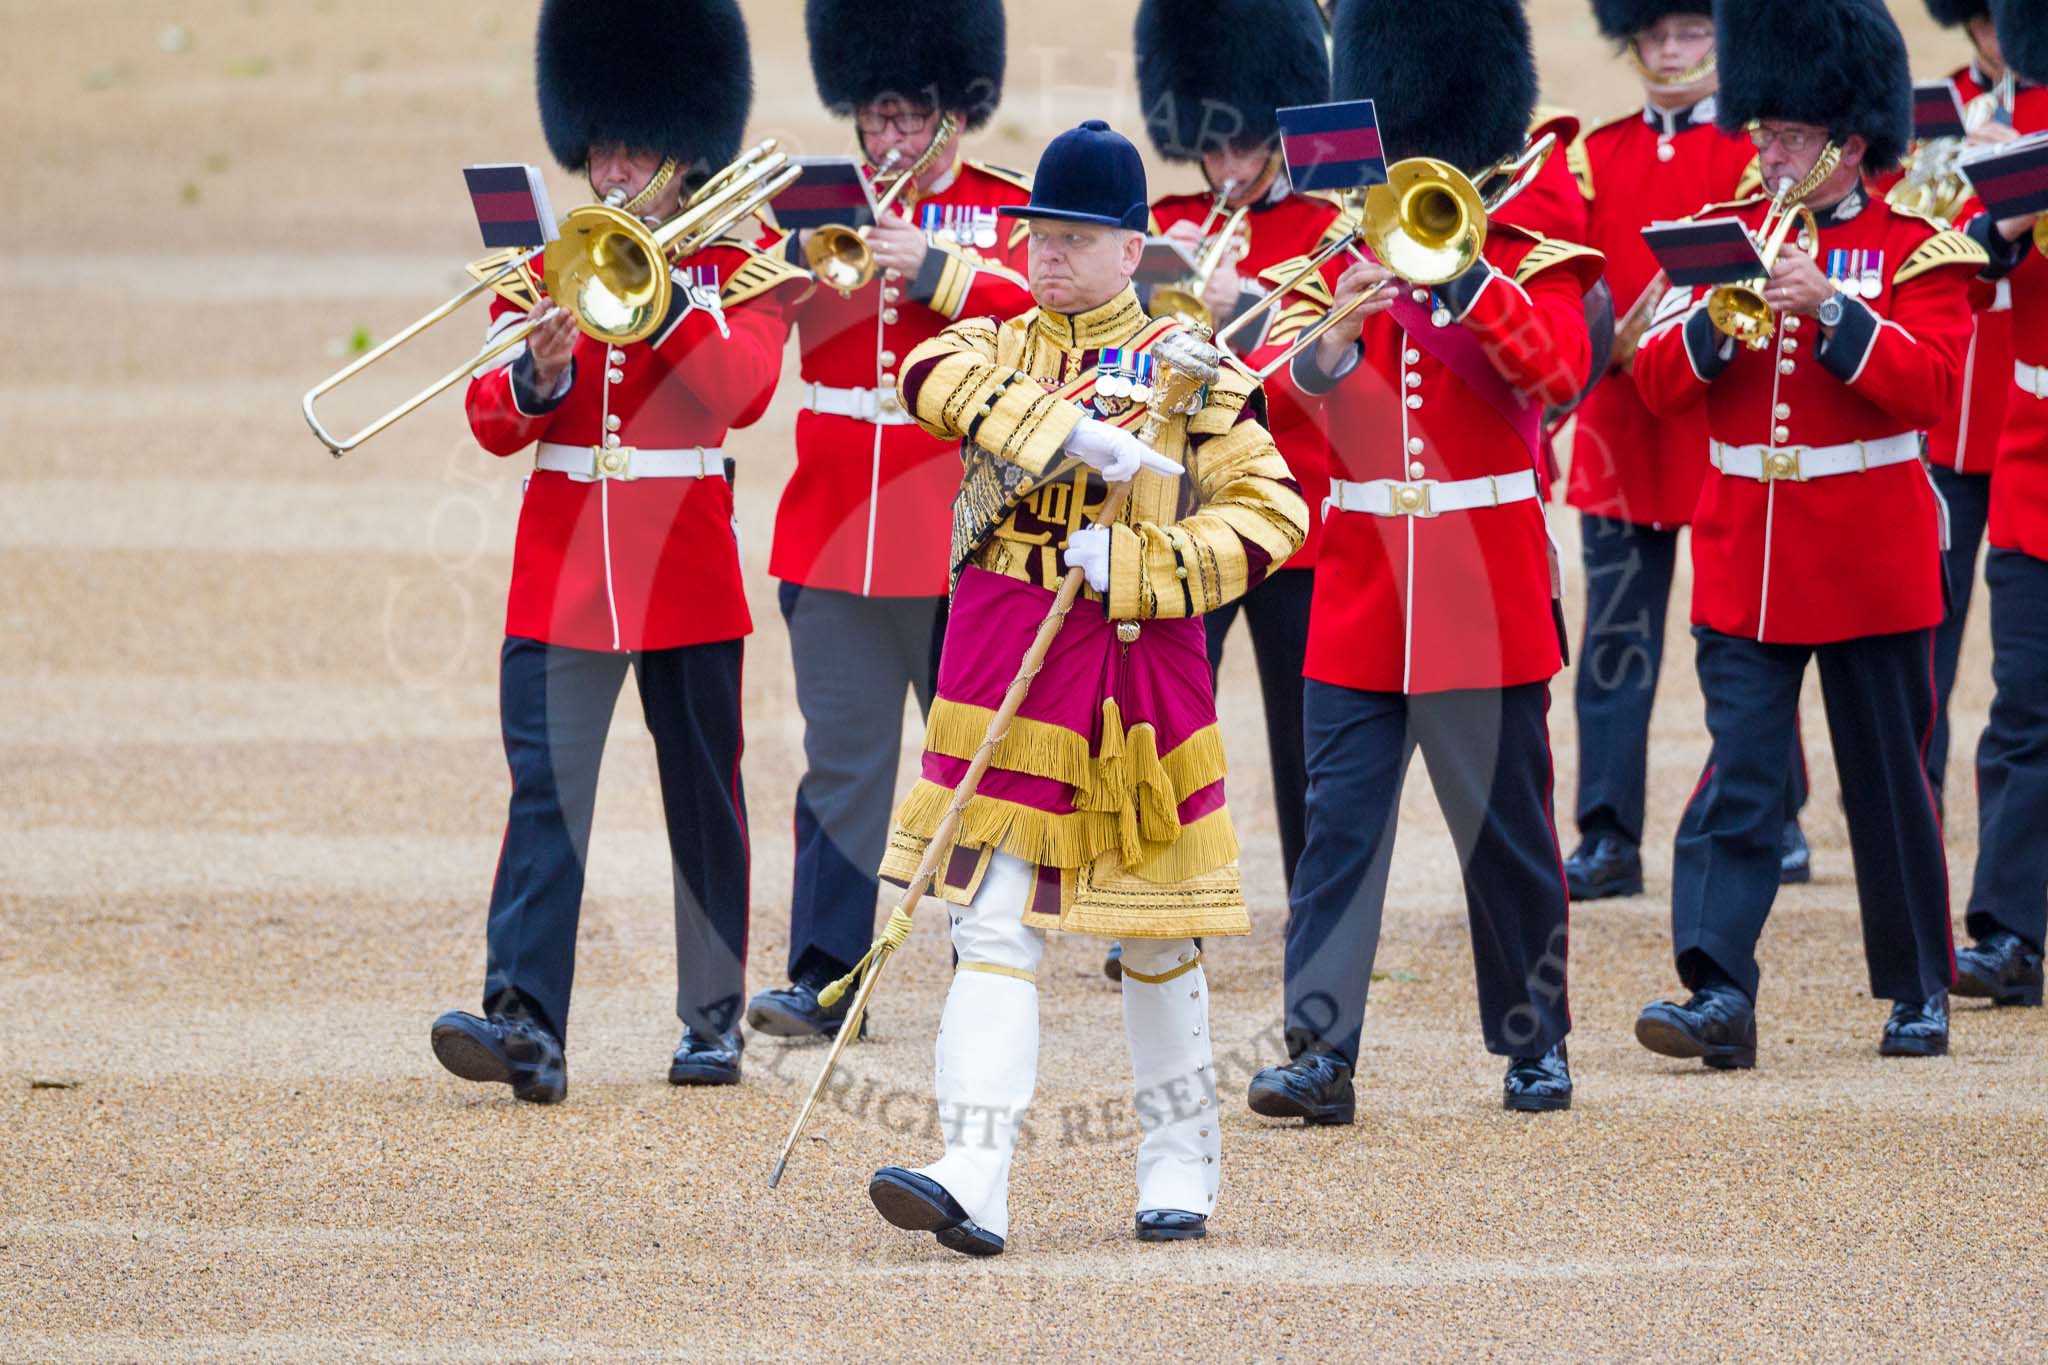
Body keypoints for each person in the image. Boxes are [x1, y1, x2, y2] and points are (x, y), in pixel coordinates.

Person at [862, 120, 1308, 1254]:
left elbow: (1273, 516)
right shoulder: (995, 339)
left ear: (1129, 249)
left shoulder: (1190, 367)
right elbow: (929, 372)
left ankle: (1177, 1163)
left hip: (1129, 672)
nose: (1048, 254)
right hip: (1001, 663)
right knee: (991, 921)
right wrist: (1073, 436)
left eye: (1074, 237)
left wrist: (1149, 567)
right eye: (1037, 234)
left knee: (1153, 934)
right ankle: (972, 1172)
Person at [427, 0, 809, 1102]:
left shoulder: (747, 262)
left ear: (685, 150)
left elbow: (738, 395)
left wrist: (651, 307)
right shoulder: (544, 263)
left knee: (700, 798)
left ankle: (710, 1021)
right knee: (545, 797)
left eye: (633, 150)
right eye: (600, 148)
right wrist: (540, 368)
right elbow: (490, 420)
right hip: (561, 575)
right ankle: (525, 1025)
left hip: (683, 568)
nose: (612, 170)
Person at [1245, 0, 1600, 1123]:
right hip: (1357, 583)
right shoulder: (1332, 257)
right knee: (1338, 832)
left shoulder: (1530, 245)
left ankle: (1532, 1041)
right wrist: (1332, 339)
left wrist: (1458, 279)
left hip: (1478, 583)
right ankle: (1319, 1054)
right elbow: (1274, 407)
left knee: (1503, 833)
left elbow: (1555, 373)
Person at [1629, 0, 1982, 1068]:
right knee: (1737, 776)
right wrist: (1710, 316)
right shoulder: (1721, 235)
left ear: (1848, 141)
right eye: (1762, 133)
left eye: (1787, 137)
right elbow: (1650, 385)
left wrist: (1831, 310)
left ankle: (1918, 985)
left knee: (1885, 784)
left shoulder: (1913, 248)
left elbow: (1929, 386)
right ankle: (1716, 990)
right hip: (1747, 547)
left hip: (1865, 551)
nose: (1766, 154)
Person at [746, 0, 1035, 1042]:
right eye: (875, 118)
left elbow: (1042, 315)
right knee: (841, 762)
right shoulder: (811, 208)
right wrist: (769, 267)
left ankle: (983, 970)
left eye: (912, 118)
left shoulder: (999, 209)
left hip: (953, 533)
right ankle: (828, 975)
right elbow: (743, 342)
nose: (891, 140)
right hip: (829, 533)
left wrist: (937, 271)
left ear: (955, 117)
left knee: (968, 764)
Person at [1086, 0, 1330, 982]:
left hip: (1289, 516)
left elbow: (1328, 378)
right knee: (1157, 717)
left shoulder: (1325, 222)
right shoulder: (1168, 230)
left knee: (1304, 741)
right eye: (1210, 145)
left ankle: (1317, 930)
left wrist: (1252, 309)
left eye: (1245, 145)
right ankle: (1152, 905)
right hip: (1180, 516)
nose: (1227, 166)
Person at [1561, 0, 1811, 902]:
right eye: (1658, 35)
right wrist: (1598, 344)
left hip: (1722, 422)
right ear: (1634, 44)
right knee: (1615, 645)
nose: (1673, 50)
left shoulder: (1758, 157)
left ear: (1720, 39)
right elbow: (1575, 282)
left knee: (1753, 630)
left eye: (1692, 33)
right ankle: (1608, 831)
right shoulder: (1597, 154)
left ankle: (1776, 812)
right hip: (1624, 430)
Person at [1900, 0, 2042, 820]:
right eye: (1981, 20)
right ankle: (1913, 798)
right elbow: (1925, 244)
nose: (1994, 34)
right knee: (1929, 631)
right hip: (1956, 407)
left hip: (2025, 398)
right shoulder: (1942, 111)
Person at [1951, 0, 2048, 1006]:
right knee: (2022, 711)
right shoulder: (2022, 135)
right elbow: (1966, 280)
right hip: (2034, 469)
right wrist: (2000, 217)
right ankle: (2008, 931)